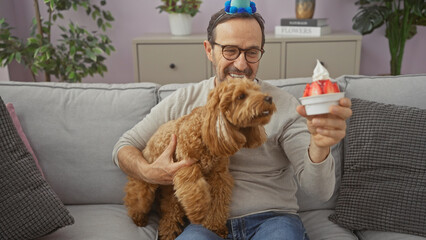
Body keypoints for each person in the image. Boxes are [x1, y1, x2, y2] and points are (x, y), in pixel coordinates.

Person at [112, 5, 352, 240]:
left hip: (273, 220)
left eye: (252, 52)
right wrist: (149, 172)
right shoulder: (184, 100)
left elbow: (320, 192)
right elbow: (124, 146)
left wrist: (320, 147)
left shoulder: (284, 104)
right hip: (202, 225)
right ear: (209, 50)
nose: (241, 64)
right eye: (230, 50)